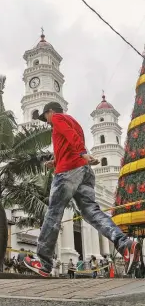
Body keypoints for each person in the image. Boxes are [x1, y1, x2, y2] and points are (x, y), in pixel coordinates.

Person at [24, 102, 141, 277]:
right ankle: (125, 245)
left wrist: (81, 153)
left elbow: (71, 139)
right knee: (92, 212)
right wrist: (56, 161)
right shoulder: (74, 121)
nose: (47, 121)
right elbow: (70, 143)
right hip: (84, 171)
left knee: (53, 213)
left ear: (50, 112)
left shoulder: (57, 118)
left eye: (45, 117)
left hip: (68, 171)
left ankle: (44, 263)